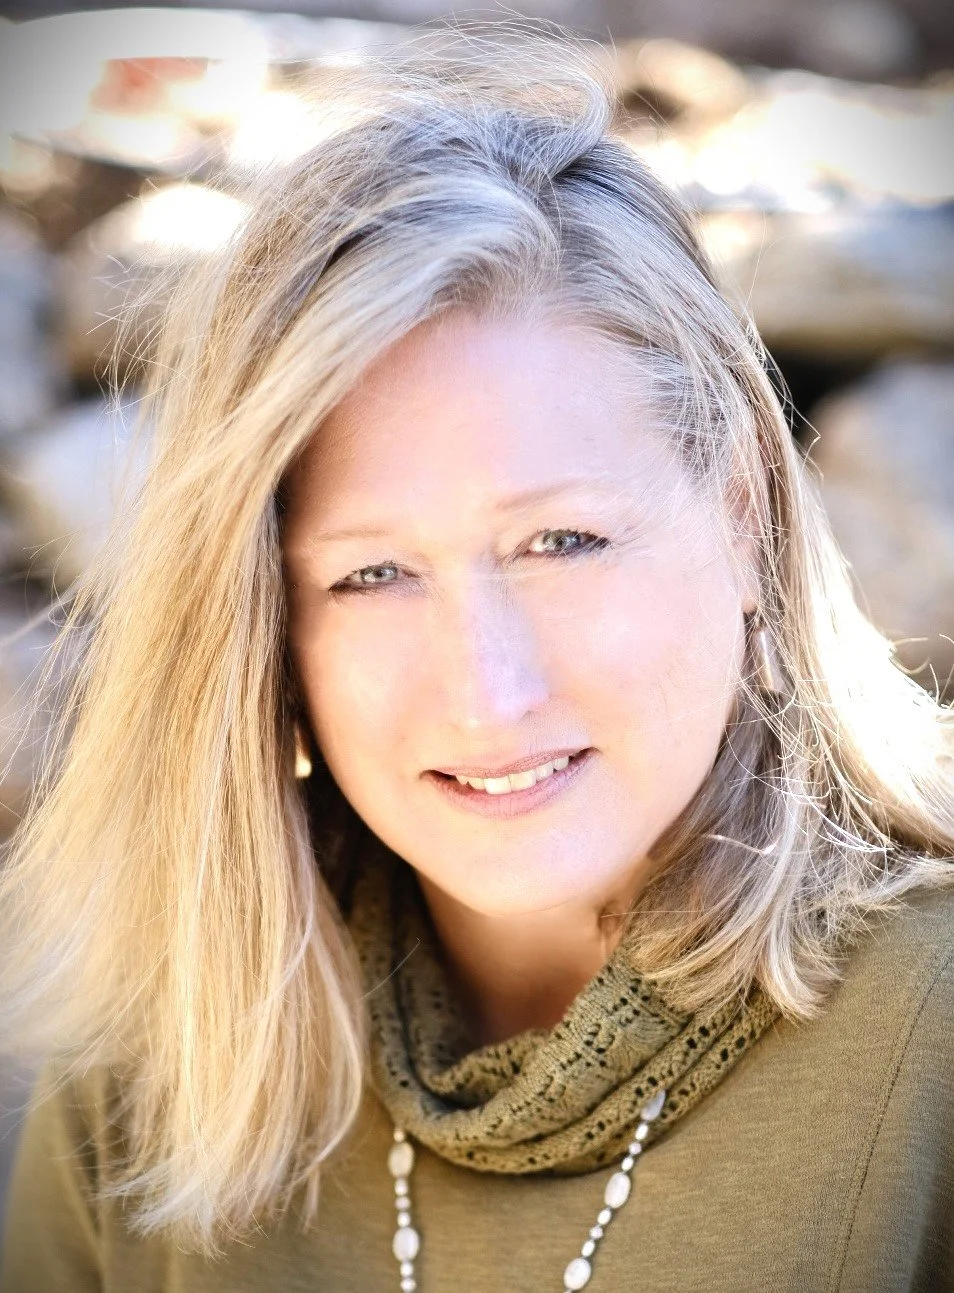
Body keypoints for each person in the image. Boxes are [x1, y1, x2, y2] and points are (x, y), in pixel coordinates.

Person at [2, 27, 954, 1293]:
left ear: (743, 516)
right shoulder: (160, 1041)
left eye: (562, 540)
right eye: (371, 574)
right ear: (263, 631)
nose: (486, 689)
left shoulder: (930, 1046)